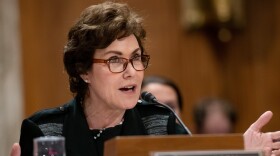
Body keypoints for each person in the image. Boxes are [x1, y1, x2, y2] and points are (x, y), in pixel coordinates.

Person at [9, 1, 280, 156]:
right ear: (83, 70)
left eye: (136, 57)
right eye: (115, 60)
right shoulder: (44, 131)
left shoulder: (159, 121)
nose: (131, 70)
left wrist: (241, 152)